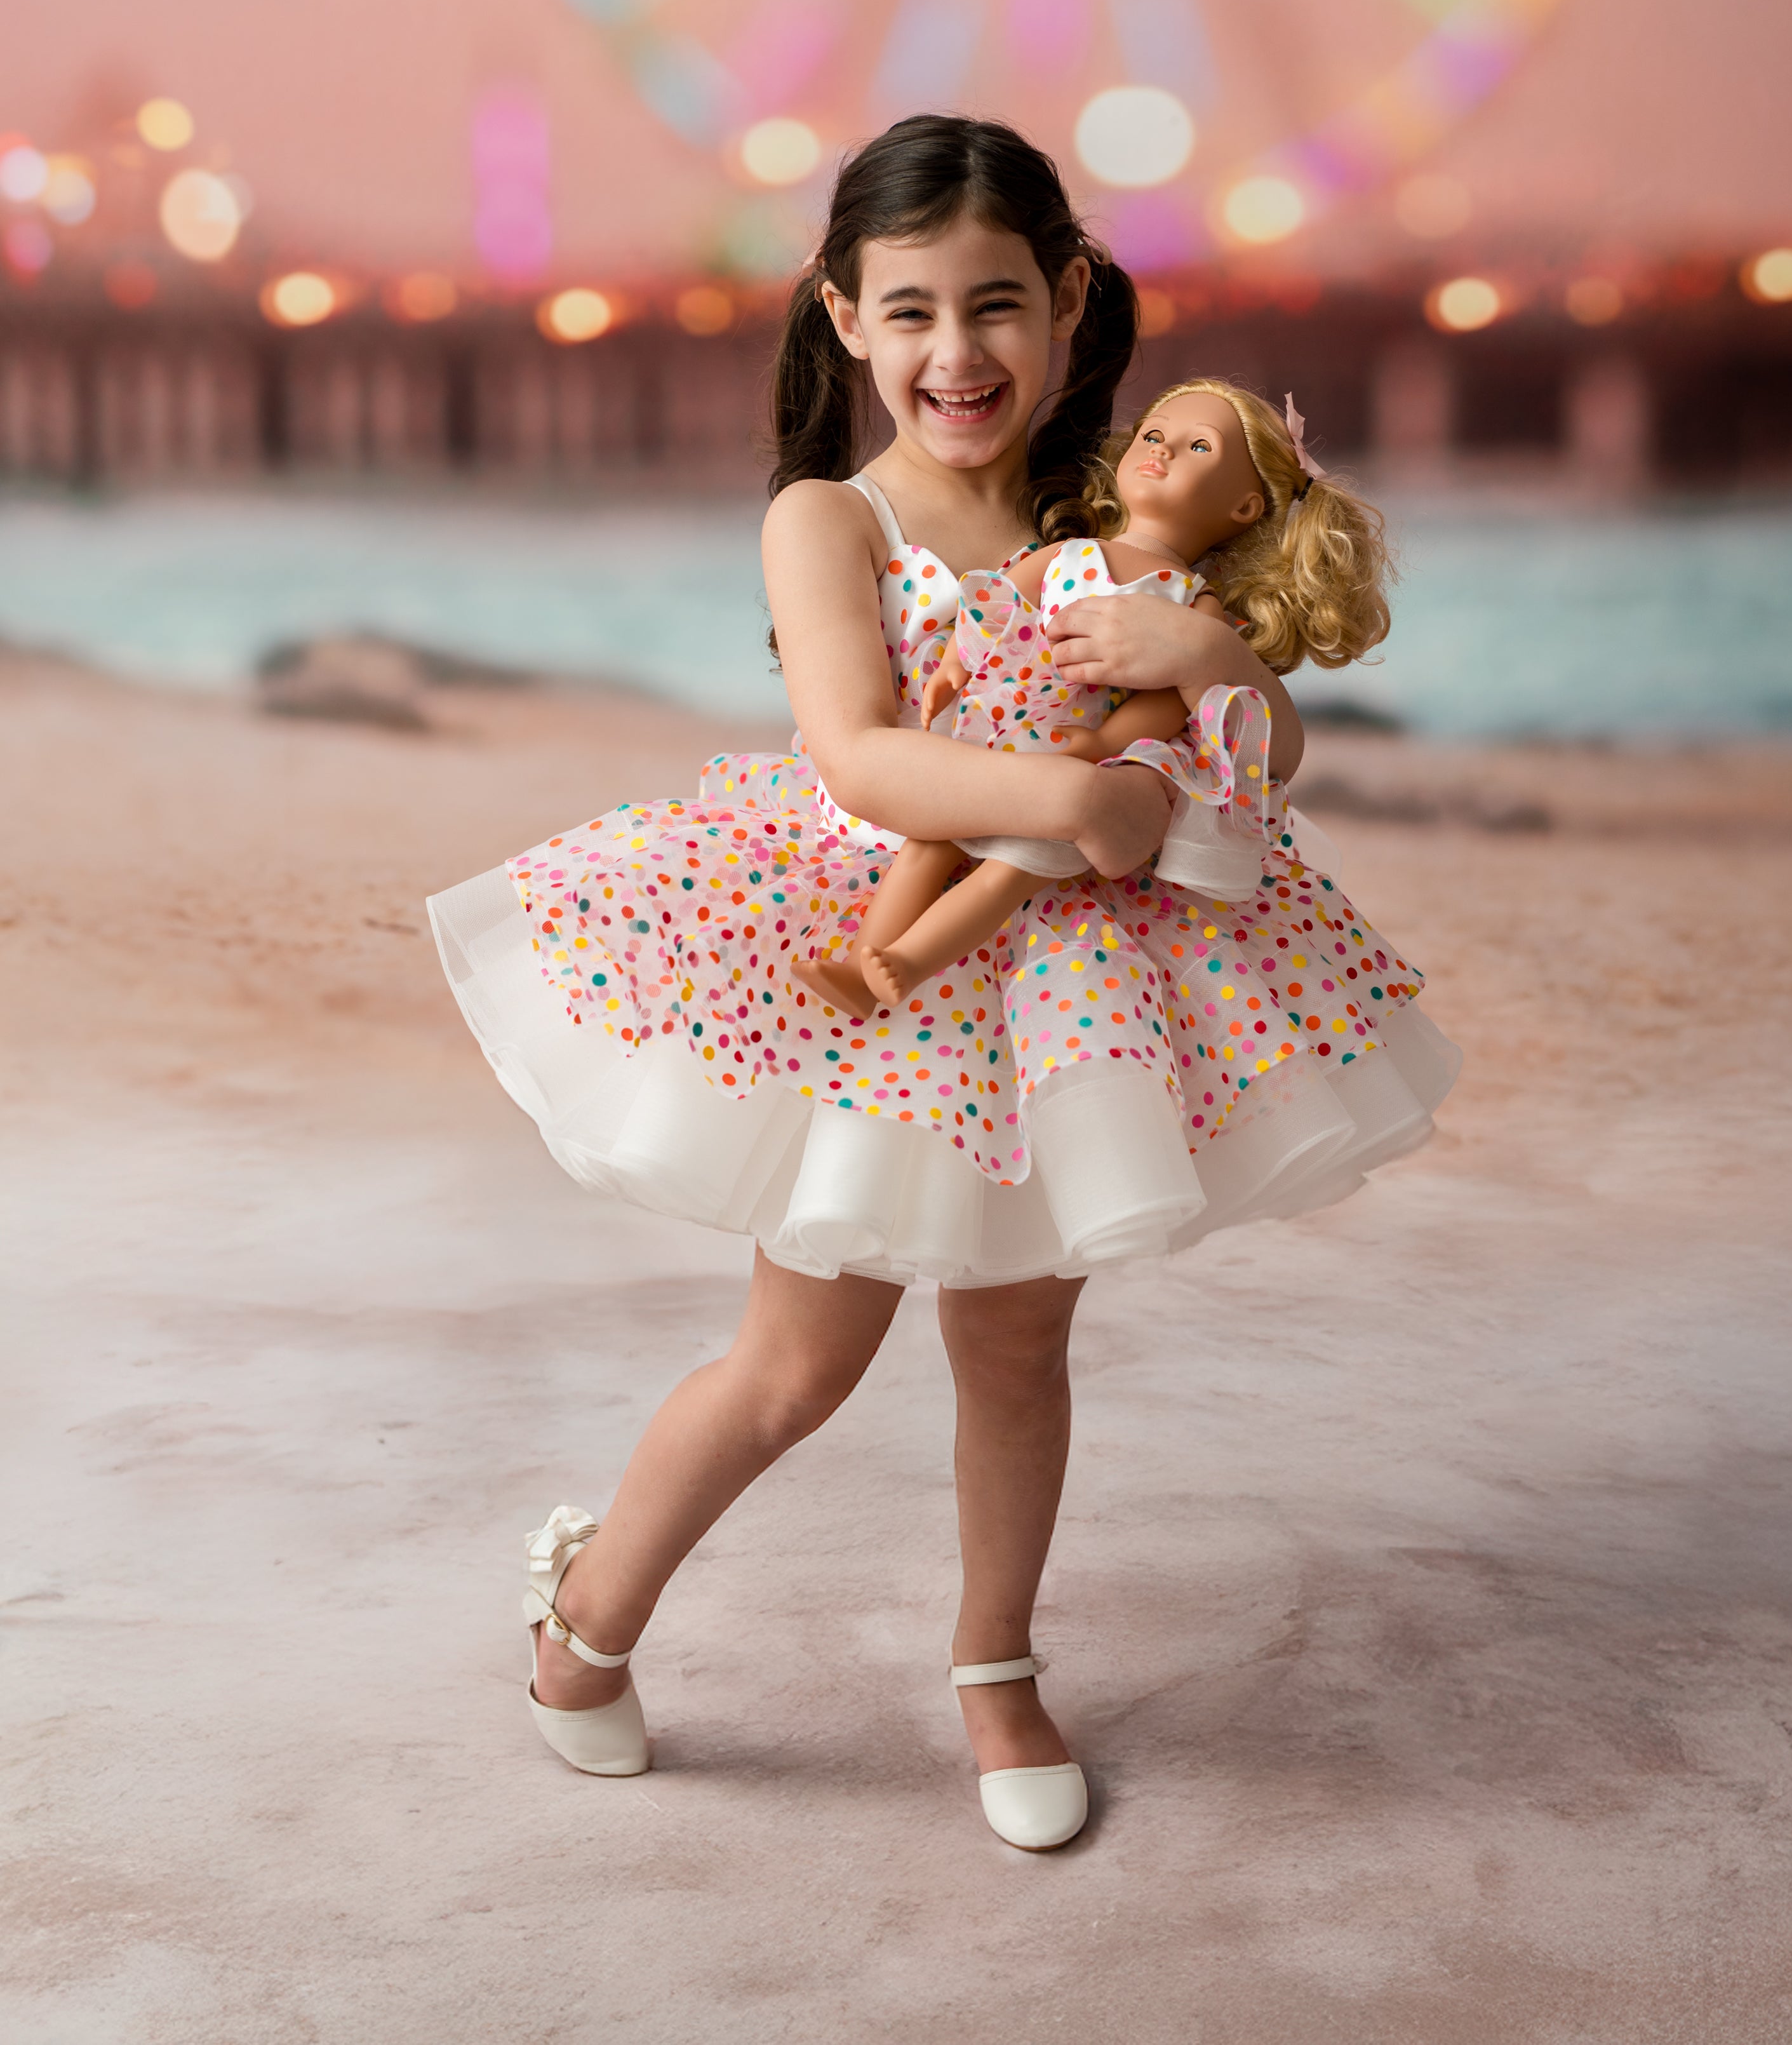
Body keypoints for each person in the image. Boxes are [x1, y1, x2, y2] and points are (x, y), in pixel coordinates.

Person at [427, 114, 1457, 1852]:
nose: (954, 354)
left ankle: (994, 1663)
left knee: (1019, 1335)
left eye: (994, 305)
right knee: (797, 1361)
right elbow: (861, 753)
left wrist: (1211, 658)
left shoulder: (1118, 517)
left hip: (1077, 987)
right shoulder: (834, 518)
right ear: (842, 314)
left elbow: (1259, 746)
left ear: (1066, 301)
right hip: (883, 962)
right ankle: (585, 1619)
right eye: (908, 312)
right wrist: (1080, 803)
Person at [790, 376, 1392, 1016]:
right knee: (927, 842)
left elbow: (1176, 701)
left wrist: (1106, 741)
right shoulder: (1069, 552)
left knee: (1012, 870)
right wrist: (951, 668)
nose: (1161, 450)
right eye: (1155, 435)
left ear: (1244, 508)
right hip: (994, 738)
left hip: (1079, 761)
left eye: (1197, 449)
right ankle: (863, 964)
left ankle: (907, 964)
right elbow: (991, 606)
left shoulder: (1192, 604)